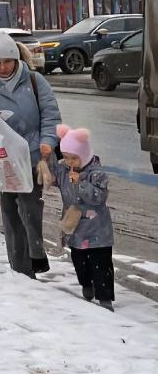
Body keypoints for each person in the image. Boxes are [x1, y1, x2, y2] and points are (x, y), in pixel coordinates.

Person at [0, 32, 61, 278]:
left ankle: (36, 257)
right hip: (2, 161)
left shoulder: (34, 81)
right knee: (9, 213)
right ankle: (20, 268)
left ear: (15, 59)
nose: (2, 67)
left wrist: (47, 143)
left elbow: (51, 116)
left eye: (6, 61)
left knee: (30, 210)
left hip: (31, 158)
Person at [40, 124, 115, 310]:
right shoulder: (64, 171)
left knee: (101, 265)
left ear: (85, 155)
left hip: (98, 231)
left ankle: (105, 298)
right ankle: (86, 285)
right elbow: (51, 174)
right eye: (66, 157)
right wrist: (48, 155)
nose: (70, 162)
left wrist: (81, 182)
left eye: (74, 158)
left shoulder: (97, 174)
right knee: (80, 262)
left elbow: (99, 198)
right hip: (75, 229)